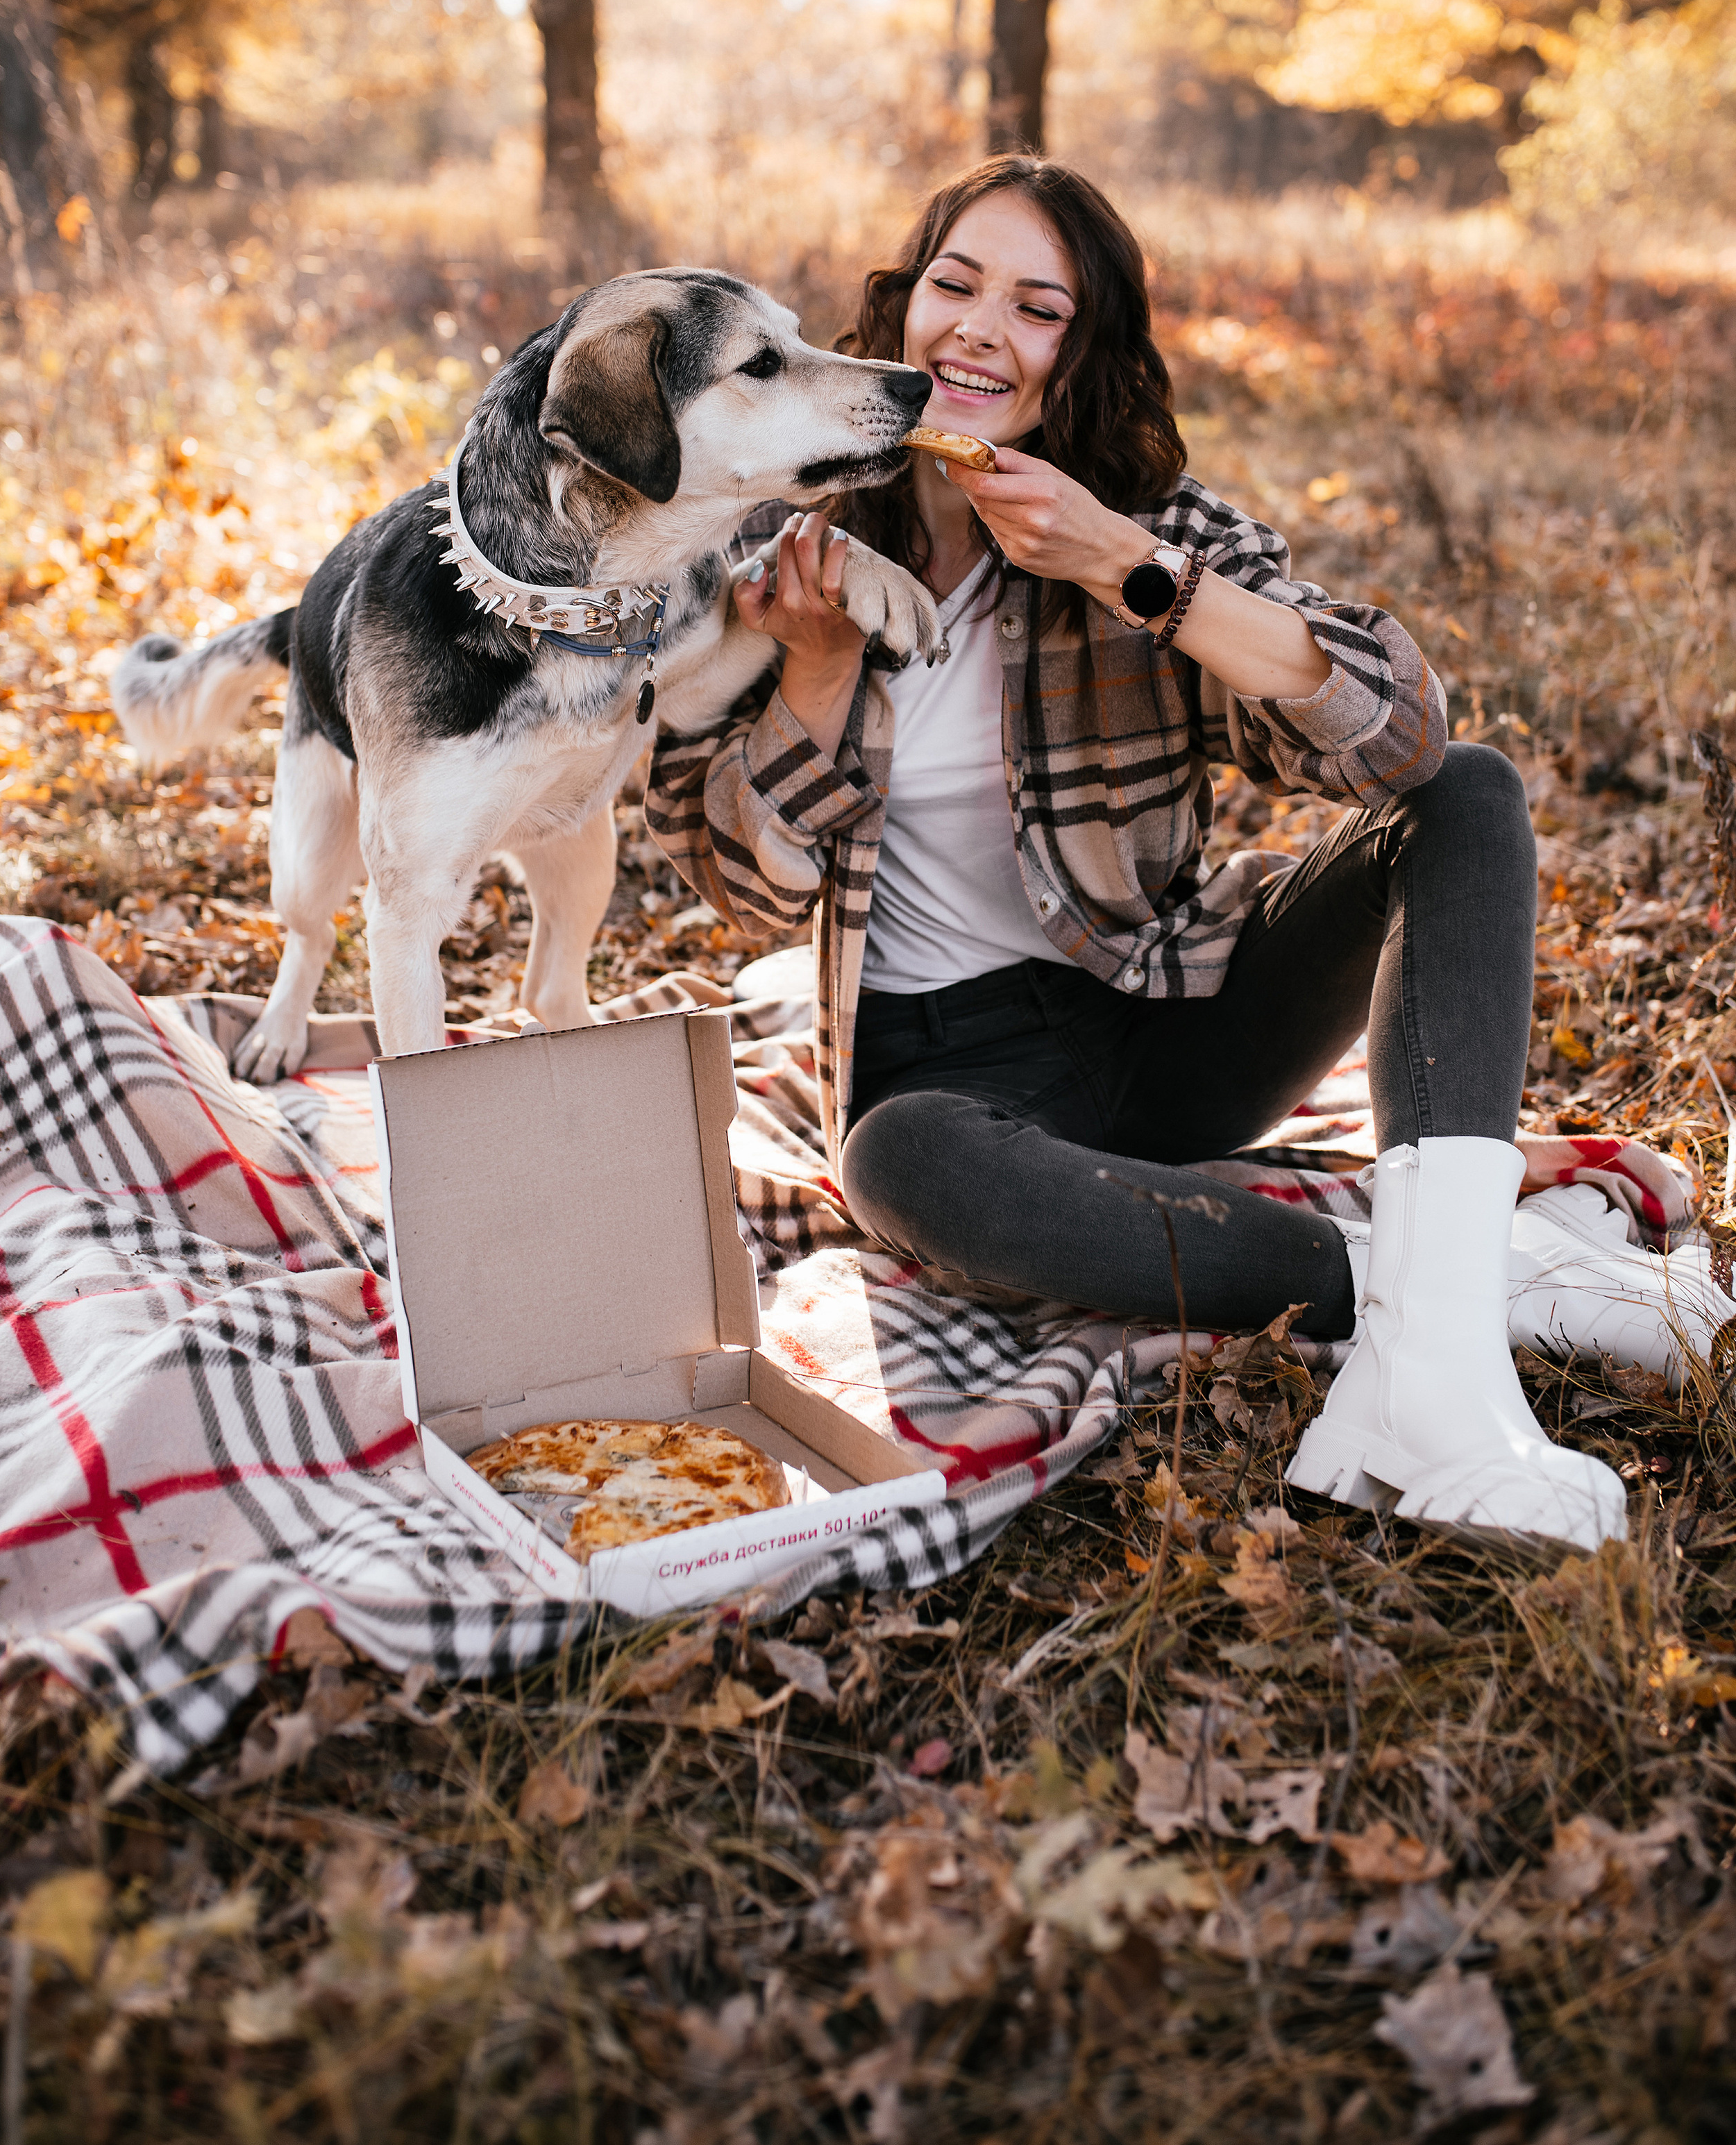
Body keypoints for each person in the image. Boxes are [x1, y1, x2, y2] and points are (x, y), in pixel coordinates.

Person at [646, 155, 1629, 1550]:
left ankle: (1440, 1380)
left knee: (1466, 792)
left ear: (1084, 350)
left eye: (1036, 308)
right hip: (949, 1083)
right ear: (901, 308)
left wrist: (1127, 570)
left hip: (1172, 1021)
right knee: (896, 1166)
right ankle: (1478, 1293)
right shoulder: (783, 545)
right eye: (954, 285)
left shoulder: (1147, 524)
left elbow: (1399, 731)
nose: (981, 330)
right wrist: (813, 674)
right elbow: (737, 890)